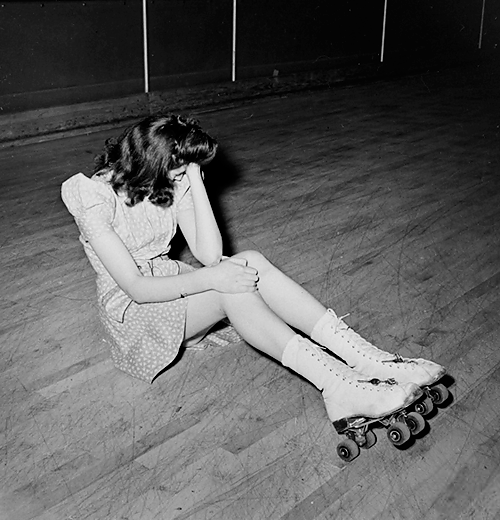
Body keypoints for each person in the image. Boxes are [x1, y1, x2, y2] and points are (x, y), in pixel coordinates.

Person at [61, 114, 445, 431]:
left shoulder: (171, 180)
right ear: (152, 166)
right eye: (179, 174)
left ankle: (364, 359)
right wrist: (214, 279)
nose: (182, 181)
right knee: (231, 287)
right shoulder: (94, 198)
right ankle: (335, 386)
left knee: (251, 261)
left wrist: (195, 183)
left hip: (171, 282)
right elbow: (136, 288)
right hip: (136, 314)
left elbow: (210, 254)